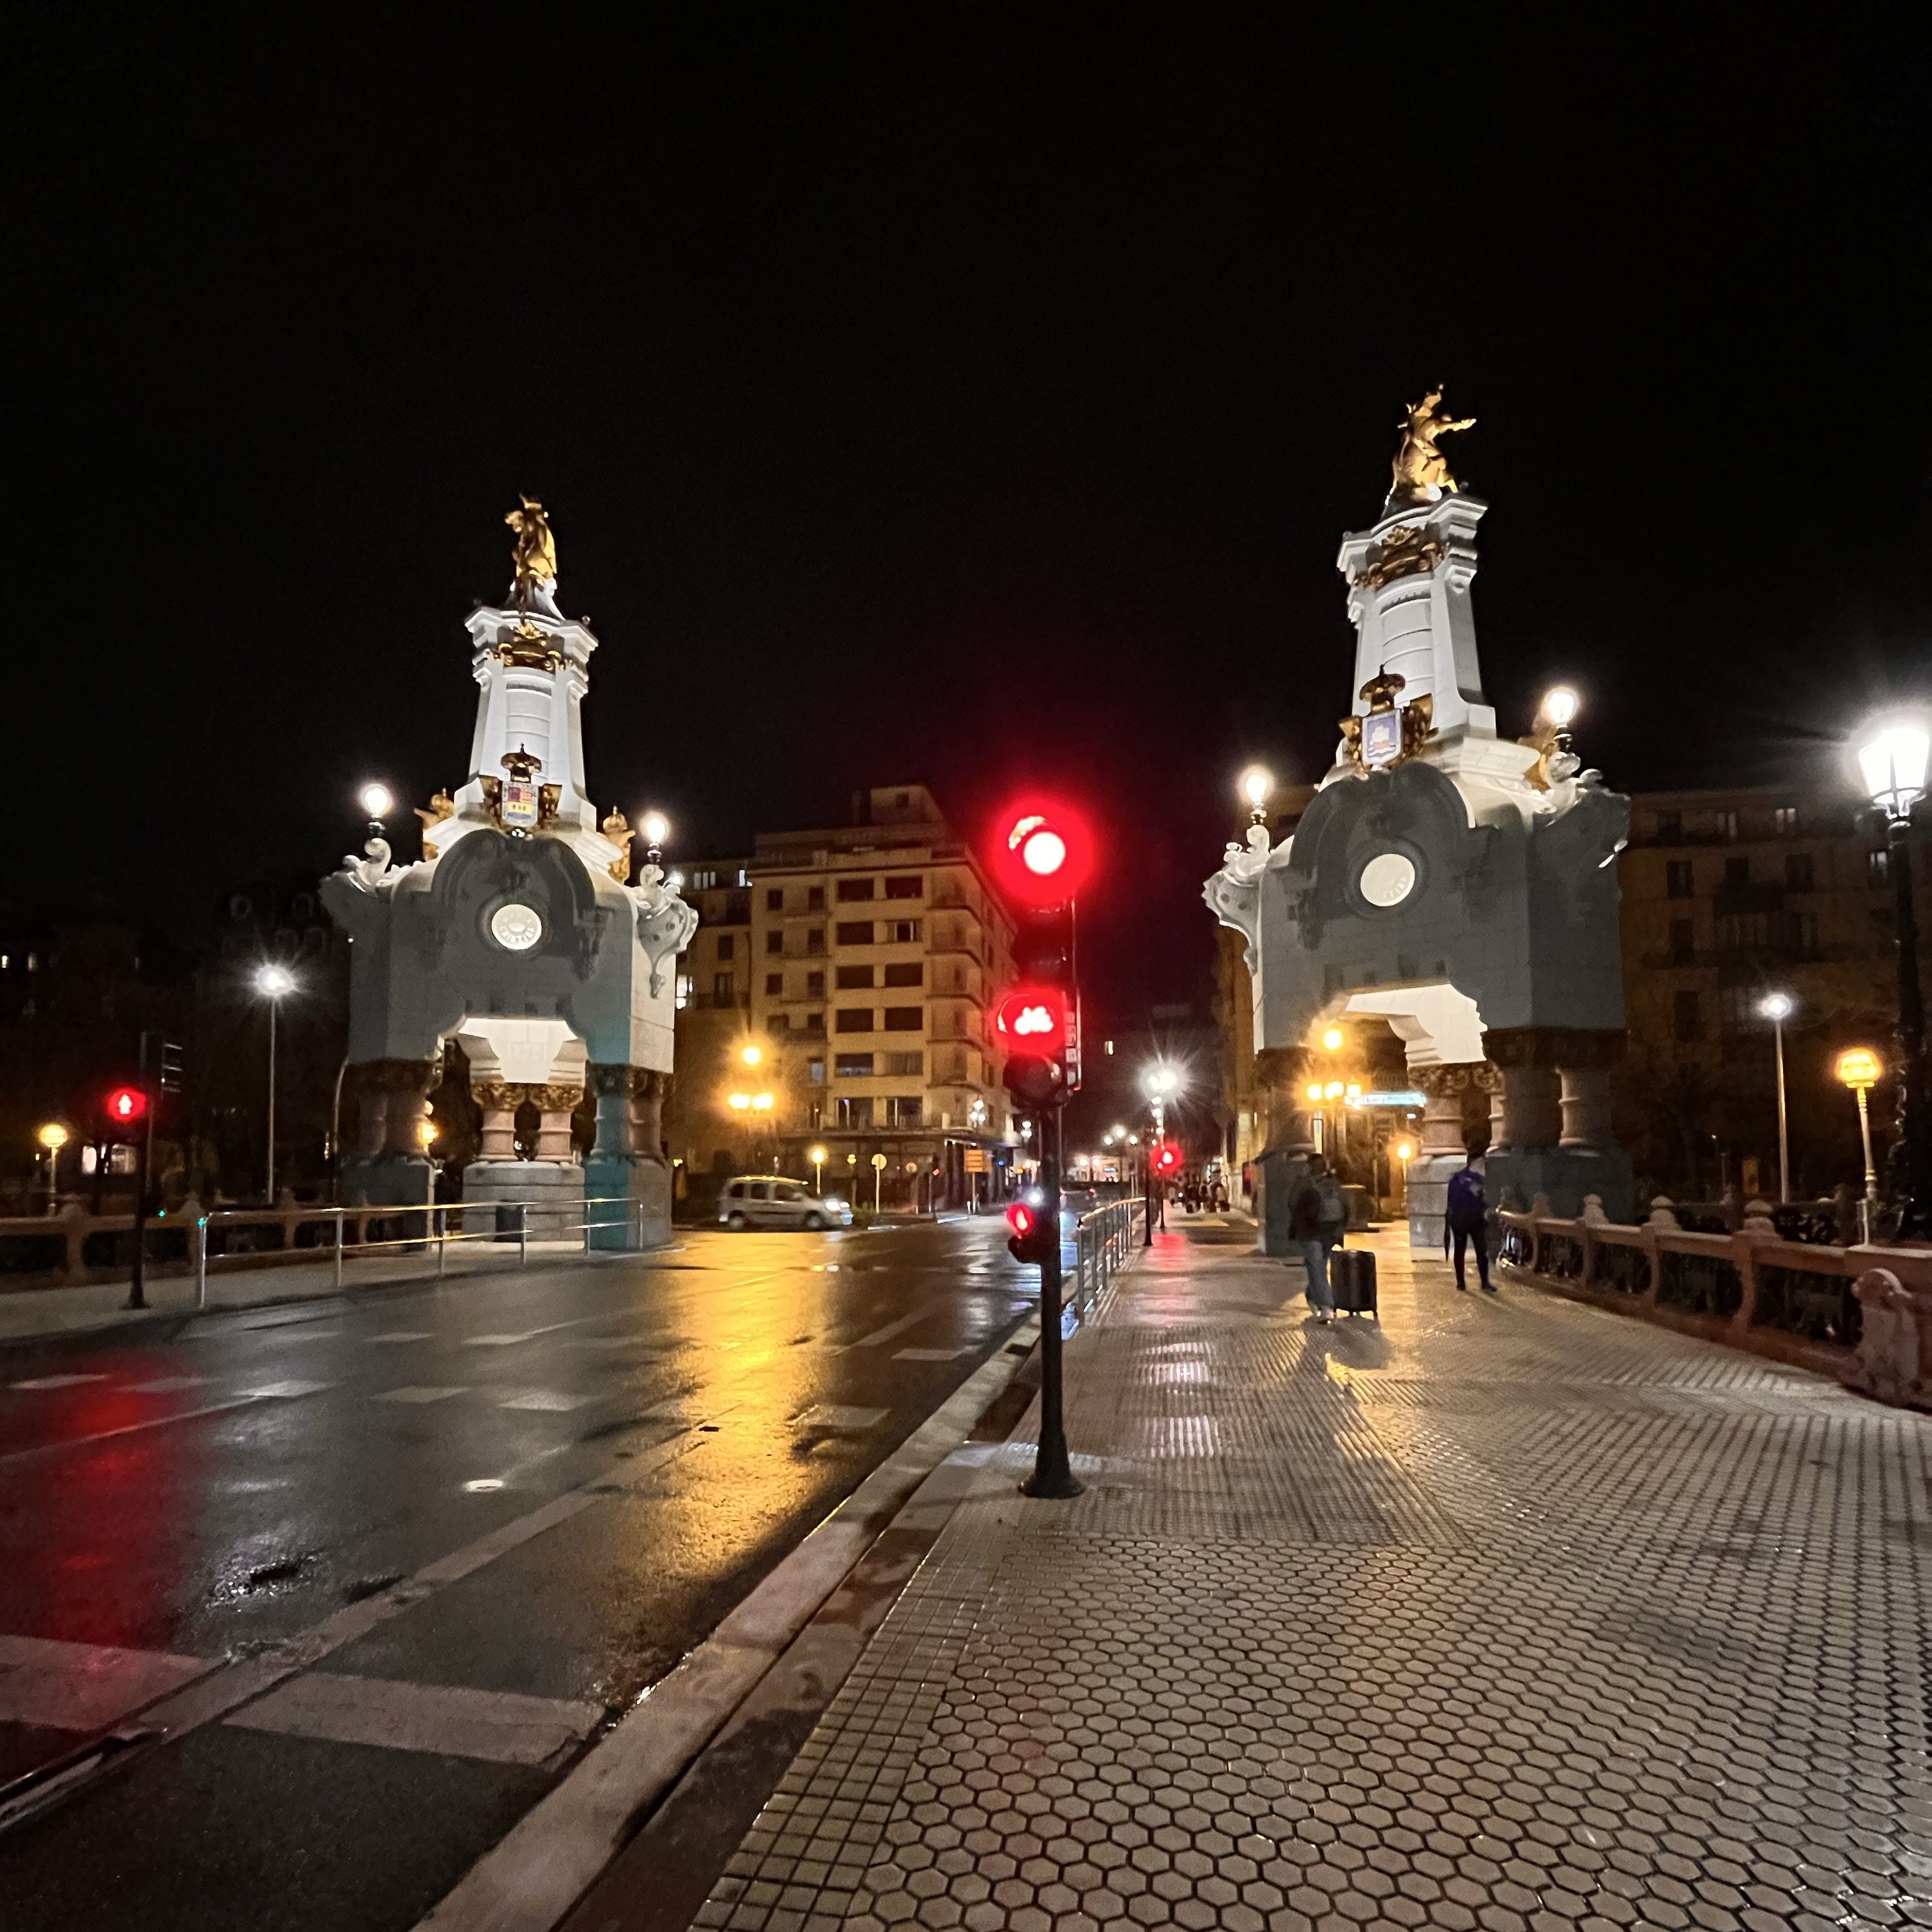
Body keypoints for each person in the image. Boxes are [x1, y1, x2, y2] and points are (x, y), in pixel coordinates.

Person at [1290, 1153, 1348, 1322]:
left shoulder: (1305, 1184)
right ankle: (1313, 1295)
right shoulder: (1334, 1184)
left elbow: (1292, 1203)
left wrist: (1300, 1179)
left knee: (1316, 1269)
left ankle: (1326, 1307)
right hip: (1331, 1232)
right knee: (1319, 1267)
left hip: (1311, 1233)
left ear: (1309, 1166)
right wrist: (1340, 1230)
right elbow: (1346, 1207)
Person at [1445, 1146, 1493, 1292]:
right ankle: (1480, 1283)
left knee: (1467, 1251)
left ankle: (1464, 1283)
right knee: (1476, 1251)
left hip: (1463, 1221)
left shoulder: (1457, 1178)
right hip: (1470, 1221)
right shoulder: (1473, 1180)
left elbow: (1450, 1202)